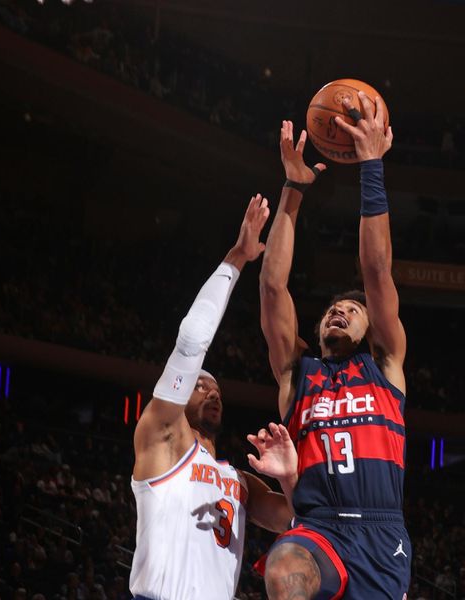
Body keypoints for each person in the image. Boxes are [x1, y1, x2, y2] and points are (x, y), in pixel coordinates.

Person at [258, 94, 411, 599]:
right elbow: (273, 289)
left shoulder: (384, 364)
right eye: (330, 311)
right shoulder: (296, 374)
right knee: (283, 570)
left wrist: (372, 167)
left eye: (353, 310)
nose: (338, 311)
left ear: (371, 329)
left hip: (380, 535)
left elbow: (376, 270)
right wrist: (294, 191)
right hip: (318, 527)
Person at [130, 194, 299, 600]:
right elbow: (190, 343)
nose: (212, 392)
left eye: (218, 390)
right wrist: (238, 257)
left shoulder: (239, 481)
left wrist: (290, 477)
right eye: (201, 386)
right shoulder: (162, 438)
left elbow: (294, 519)